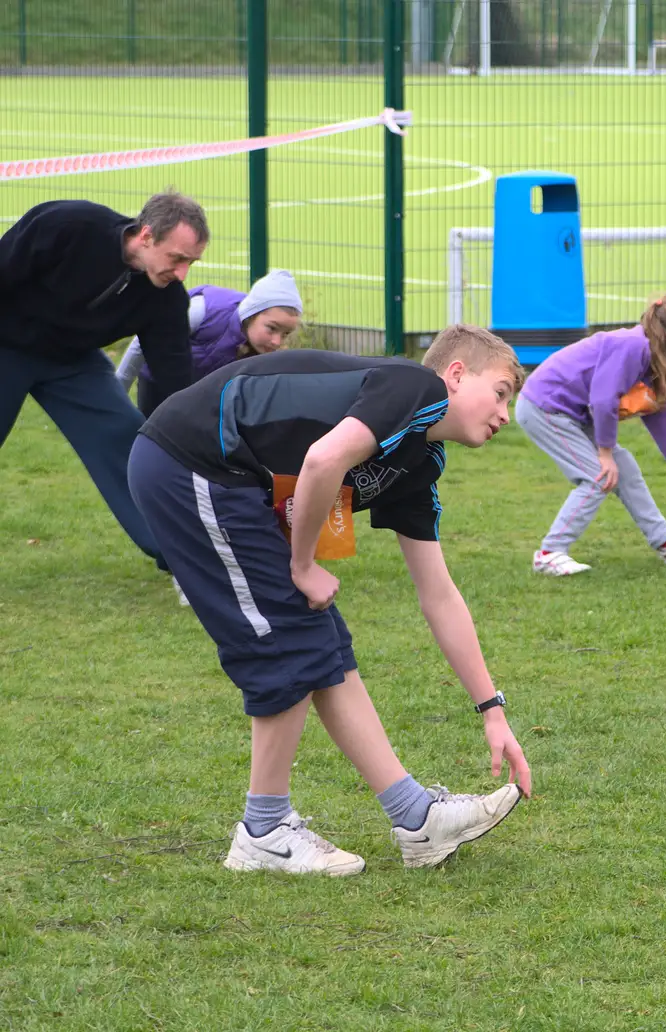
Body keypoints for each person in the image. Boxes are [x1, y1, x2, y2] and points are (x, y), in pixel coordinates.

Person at [127, 325, 534, 876]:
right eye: (502, 391)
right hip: (190, 461)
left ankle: (416, 819)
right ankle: (264, 831)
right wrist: (301, 566)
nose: (506, 414)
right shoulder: (417, 388)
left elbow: (438, 594)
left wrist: (493, 711)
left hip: (232, 482)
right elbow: (323, 461)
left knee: (325, 645)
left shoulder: (421, 460)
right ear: (457, 376)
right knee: (288, 642)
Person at [0, 191, 207, 566]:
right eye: (177, 259)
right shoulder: (68, 225)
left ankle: (180, 554)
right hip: (6, 344)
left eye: (191, 263)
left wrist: (191, 437)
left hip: (73, 362)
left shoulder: (166, 299)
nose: (182, 274)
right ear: (146, 236)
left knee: (128, 441)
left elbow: (174, 381)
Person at [516, 294, 666, 575]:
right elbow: (602, 400)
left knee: (625, 469)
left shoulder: (654, 361)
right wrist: (605, 453)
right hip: (545, 407)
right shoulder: (633, 347)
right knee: (597, 477)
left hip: (569, 413)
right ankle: (549, 553)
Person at [116, 269, 304, 417]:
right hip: (158, 382)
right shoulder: (204, 311)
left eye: (285, 334)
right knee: (153, 441)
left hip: (204, 395)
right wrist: (119, 389)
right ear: (251, 314)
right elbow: (143, 343)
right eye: (271, 328)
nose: (277, 341)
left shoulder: (262, 355)